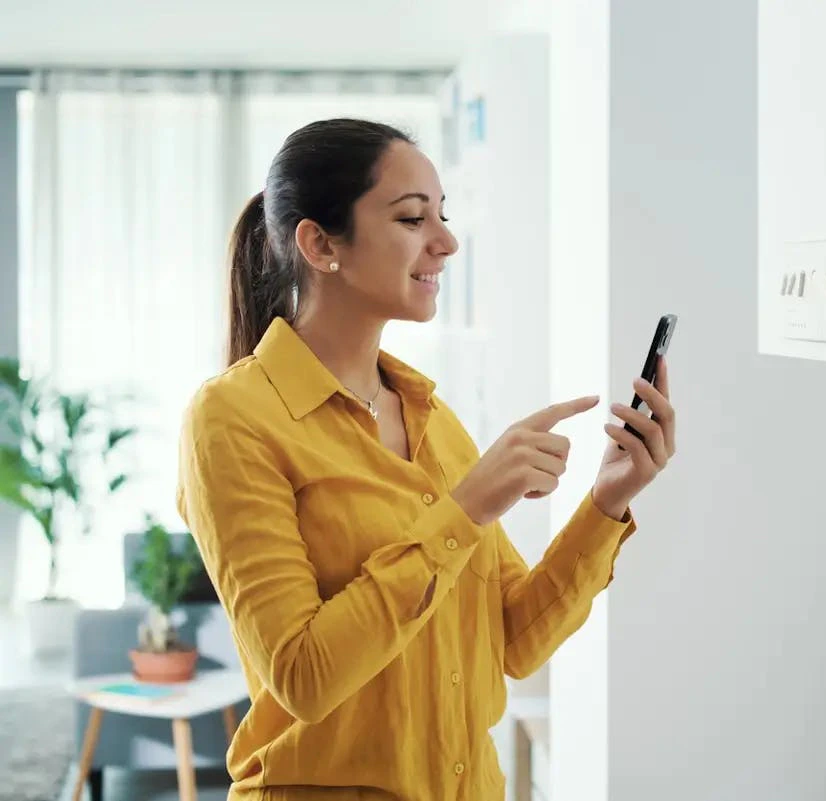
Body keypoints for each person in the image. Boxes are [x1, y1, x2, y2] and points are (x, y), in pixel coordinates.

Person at [176, 118, 676, 801]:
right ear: (320, 244)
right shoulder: (232, 418)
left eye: (442, 215)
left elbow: (514, 640)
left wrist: (606, 502)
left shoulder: (431, 418)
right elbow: (303, 677)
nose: (446, 241)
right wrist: (462, 511)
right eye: (413, 218)